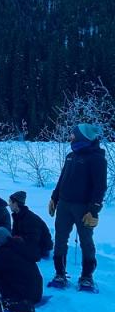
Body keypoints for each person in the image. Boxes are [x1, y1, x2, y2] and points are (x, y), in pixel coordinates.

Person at [48, 123, 106, 290]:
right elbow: (62, 179)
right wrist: (54, 197)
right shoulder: (70, 156)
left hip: (84, 208)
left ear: (83, 136)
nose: (71, 137)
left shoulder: (97, 158)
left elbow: (100, 187)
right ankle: (60, 274)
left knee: (86, 241)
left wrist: (93, 210)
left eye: (73, 135)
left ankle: (87, 276)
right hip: (64, 205)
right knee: (60, 239)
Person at [9, 191, 53, 262]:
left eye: (10, 202)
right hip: (29, 245)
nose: (9, 204)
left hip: (41, 250)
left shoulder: (30, 219)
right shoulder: (17, 216)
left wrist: (16, 241)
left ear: (16, 203)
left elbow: (32, 240)